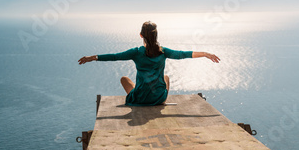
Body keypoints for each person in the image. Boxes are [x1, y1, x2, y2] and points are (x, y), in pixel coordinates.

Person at [78, 21, 220, 106]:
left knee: (124, 79)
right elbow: (183, 54)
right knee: (166, 78)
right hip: (158, 98)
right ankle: (159, 98)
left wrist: (93, 57)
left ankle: (141, 92)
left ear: (141, 35)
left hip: (140, 98)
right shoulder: (163, 51)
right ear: (156, 35)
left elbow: (115, 57)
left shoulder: (136, 52)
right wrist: (205, 54)